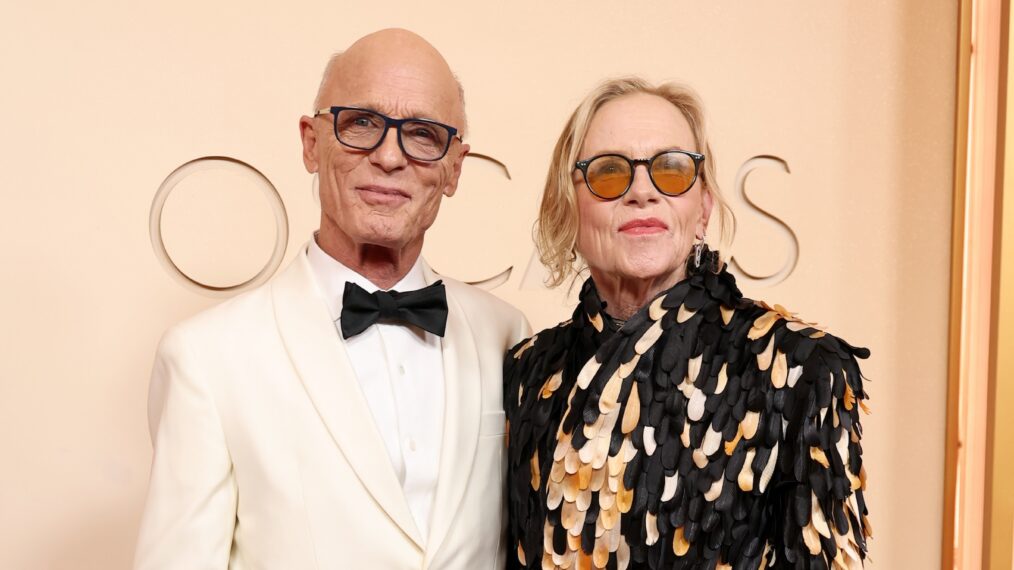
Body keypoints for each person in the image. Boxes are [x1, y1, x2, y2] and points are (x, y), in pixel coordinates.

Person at [134, 29, 530, 570]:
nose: (390, 157)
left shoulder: (508, 335)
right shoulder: (205, 358)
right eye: (362, 123)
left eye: (422, 134)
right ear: (311, 142)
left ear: (454, 167)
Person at [504, 78, 870, 570]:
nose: (641, 191)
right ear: (567, 210)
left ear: (703, 209)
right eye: (609, 174)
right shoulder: (527, 374)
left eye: (671, 170)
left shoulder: (804, 370)